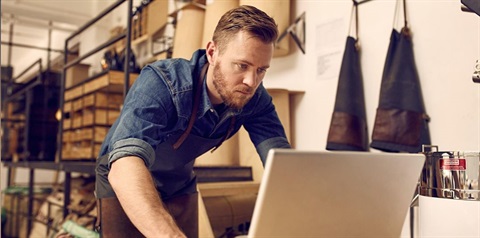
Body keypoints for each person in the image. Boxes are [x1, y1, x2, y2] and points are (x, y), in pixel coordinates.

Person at [95, 5, 291, 238]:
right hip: (125, 179)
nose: (251, 81)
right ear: (212, 52)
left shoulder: (254, 98)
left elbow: (281, 165)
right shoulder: (161, 83)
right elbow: (125, 165)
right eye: (242, 66)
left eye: (261, 70)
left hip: (178, 182)